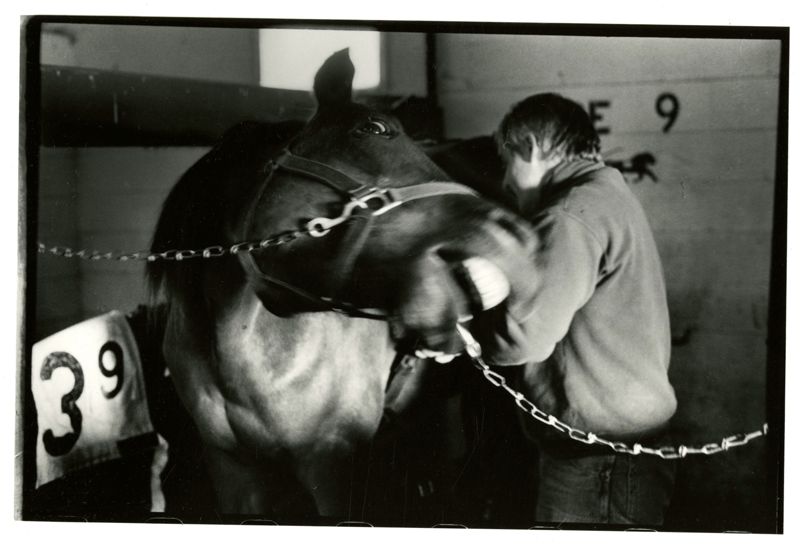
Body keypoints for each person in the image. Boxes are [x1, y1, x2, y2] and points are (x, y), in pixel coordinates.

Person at [469, 92, 678, 525]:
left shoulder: (569, 215)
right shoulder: (606, 194)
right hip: (625, 444)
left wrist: (461, 326)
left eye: (509, 162)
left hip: (597, 457)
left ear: (529, 150)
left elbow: (522, 341)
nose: (506, 181)